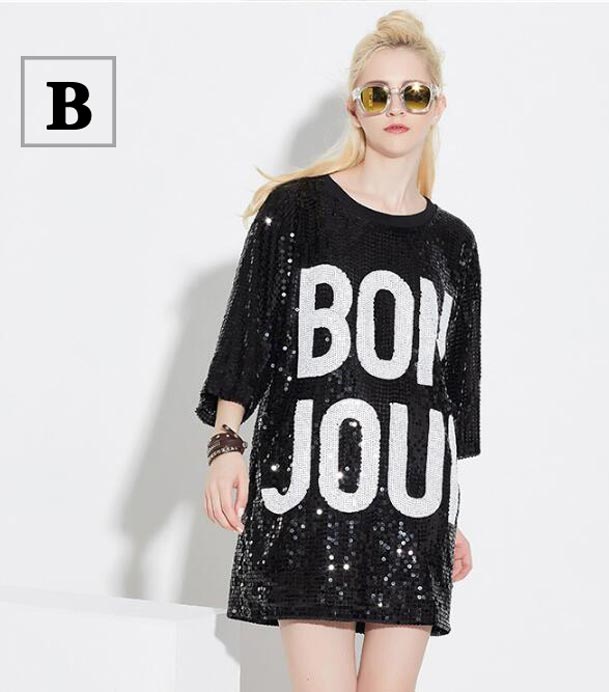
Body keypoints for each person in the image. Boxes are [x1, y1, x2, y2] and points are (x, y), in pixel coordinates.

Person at [195, 9, 482, 691]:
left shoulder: (454, 244)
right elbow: (249, 336)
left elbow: (447, 393)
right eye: (378, 94)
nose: (396, 108)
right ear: (355, 107)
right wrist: (226, 444)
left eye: (414, 93)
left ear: (438, 106)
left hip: (414, 507)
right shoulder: (296, 210)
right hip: (310, 493)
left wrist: (451, 521)